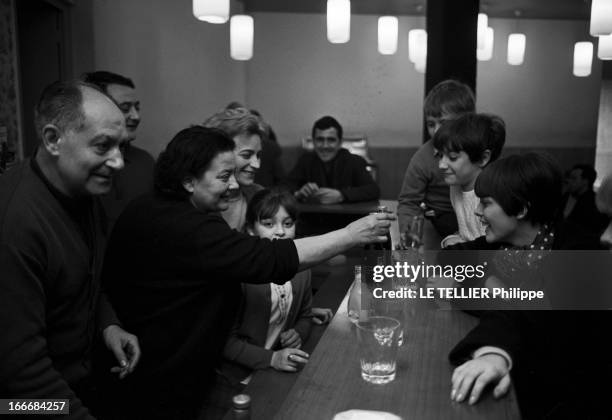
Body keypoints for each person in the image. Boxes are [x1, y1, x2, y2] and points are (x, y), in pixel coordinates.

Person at [100, 126, 393, 419]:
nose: (233, 186)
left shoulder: (147, 206)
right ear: (189, 181)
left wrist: (288, 310)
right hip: (160, 380)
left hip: (154, 363)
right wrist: (352, 234)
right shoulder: (187, 226)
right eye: (224, 177)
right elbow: (268, 259)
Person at [0, 80, 140, 419]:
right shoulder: (15, 224)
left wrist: (108, 323)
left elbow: (84, 275)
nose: (118, 162)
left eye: (120, 146)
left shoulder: (82, 189)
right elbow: (22, 374)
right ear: (53, 140)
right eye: (103, 146)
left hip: (76, 384)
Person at [447, 155, 612, 418]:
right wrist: (490, 281)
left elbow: (531, 315)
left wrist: (495, 348)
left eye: (486, 203)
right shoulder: (502, 245)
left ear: (521, 209)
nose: (477, 211)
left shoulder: (577, 250)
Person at [221, 188, 313, 390]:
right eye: (269, 224)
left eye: (288, 224)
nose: (280, 231)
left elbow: (306, 316)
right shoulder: (238, 273)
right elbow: (223, 342)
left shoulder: (301, 269)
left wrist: (298, 332)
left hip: (274, 372)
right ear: (251, 229)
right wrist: (272, 358)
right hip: (234, 379)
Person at [397, 79, 476, 240]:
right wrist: (410, 232)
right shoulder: (422, 158)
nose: (437, 130)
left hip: (478, 216)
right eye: (431, 124)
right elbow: (409, 202)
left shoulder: (479, 150)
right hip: (442, 218)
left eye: (444, 122)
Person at [82, 71, 155, 230]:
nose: (135, 116)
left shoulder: (145, 162)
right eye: (125, 108)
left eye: (137, 107)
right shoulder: (81, 164)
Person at [433, 113, 506, 247]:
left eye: (453, 157)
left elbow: (493, 246)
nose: (441, 165)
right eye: (440, 155)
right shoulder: (456, 184)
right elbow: (467, 234)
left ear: (483, 158)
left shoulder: (493, 197)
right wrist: (451, 239)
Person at [287, 115, 379, 204]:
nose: (325, 146)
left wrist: (342, 195)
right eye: (320, 139)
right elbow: (282, 187)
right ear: (314, 142)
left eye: (331, 140)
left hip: (348, 218)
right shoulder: (306, 160)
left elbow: (373, 190)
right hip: (313, 218)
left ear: (340, 142)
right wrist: (297, 193)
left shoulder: (354, 161)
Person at [203, 107, 265, 231]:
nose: (256, 164)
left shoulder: (259, 196)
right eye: (246, 155)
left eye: (258, 156)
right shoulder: (200, 201)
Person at [559, 163, 608, 236]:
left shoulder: (596, 202)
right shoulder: (566, 196)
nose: (569, 181)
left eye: (574, 178)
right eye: (569, 177)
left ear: (585, 181)